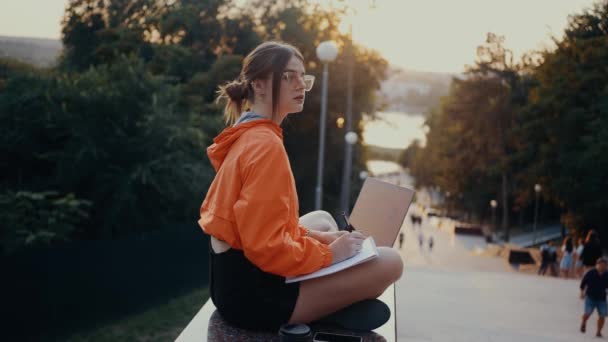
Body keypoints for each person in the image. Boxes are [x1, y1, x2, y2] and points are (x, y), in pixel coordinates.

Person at [198, 41, 404, 332]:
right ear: (258, 85)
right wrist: (332, 255)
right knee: (391, 262)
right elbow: (266, 248)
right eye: (288, 77)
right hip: (253, 299)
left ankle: (332, 306)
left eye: (302, 77)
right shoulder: (265, 145)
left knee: (322, 218)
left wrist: (324, 238)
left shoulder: (249, 132)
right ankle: (326, 312)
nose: (300, 85)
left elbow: (269, 225)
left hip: (233, 281)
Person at [580, 257, 608, 337]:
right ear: (597, 265)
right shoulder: (591, 273)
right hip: (590, 297)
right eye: (601, 265)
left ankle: (598, 332)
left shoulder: (607, 275)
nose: (602, 266)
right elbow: (583, 283)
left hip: (602, 299)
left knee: (602, 316)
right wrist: (582, 293)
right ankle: (584, 322)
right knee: (587, 313)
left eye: (604, 265)